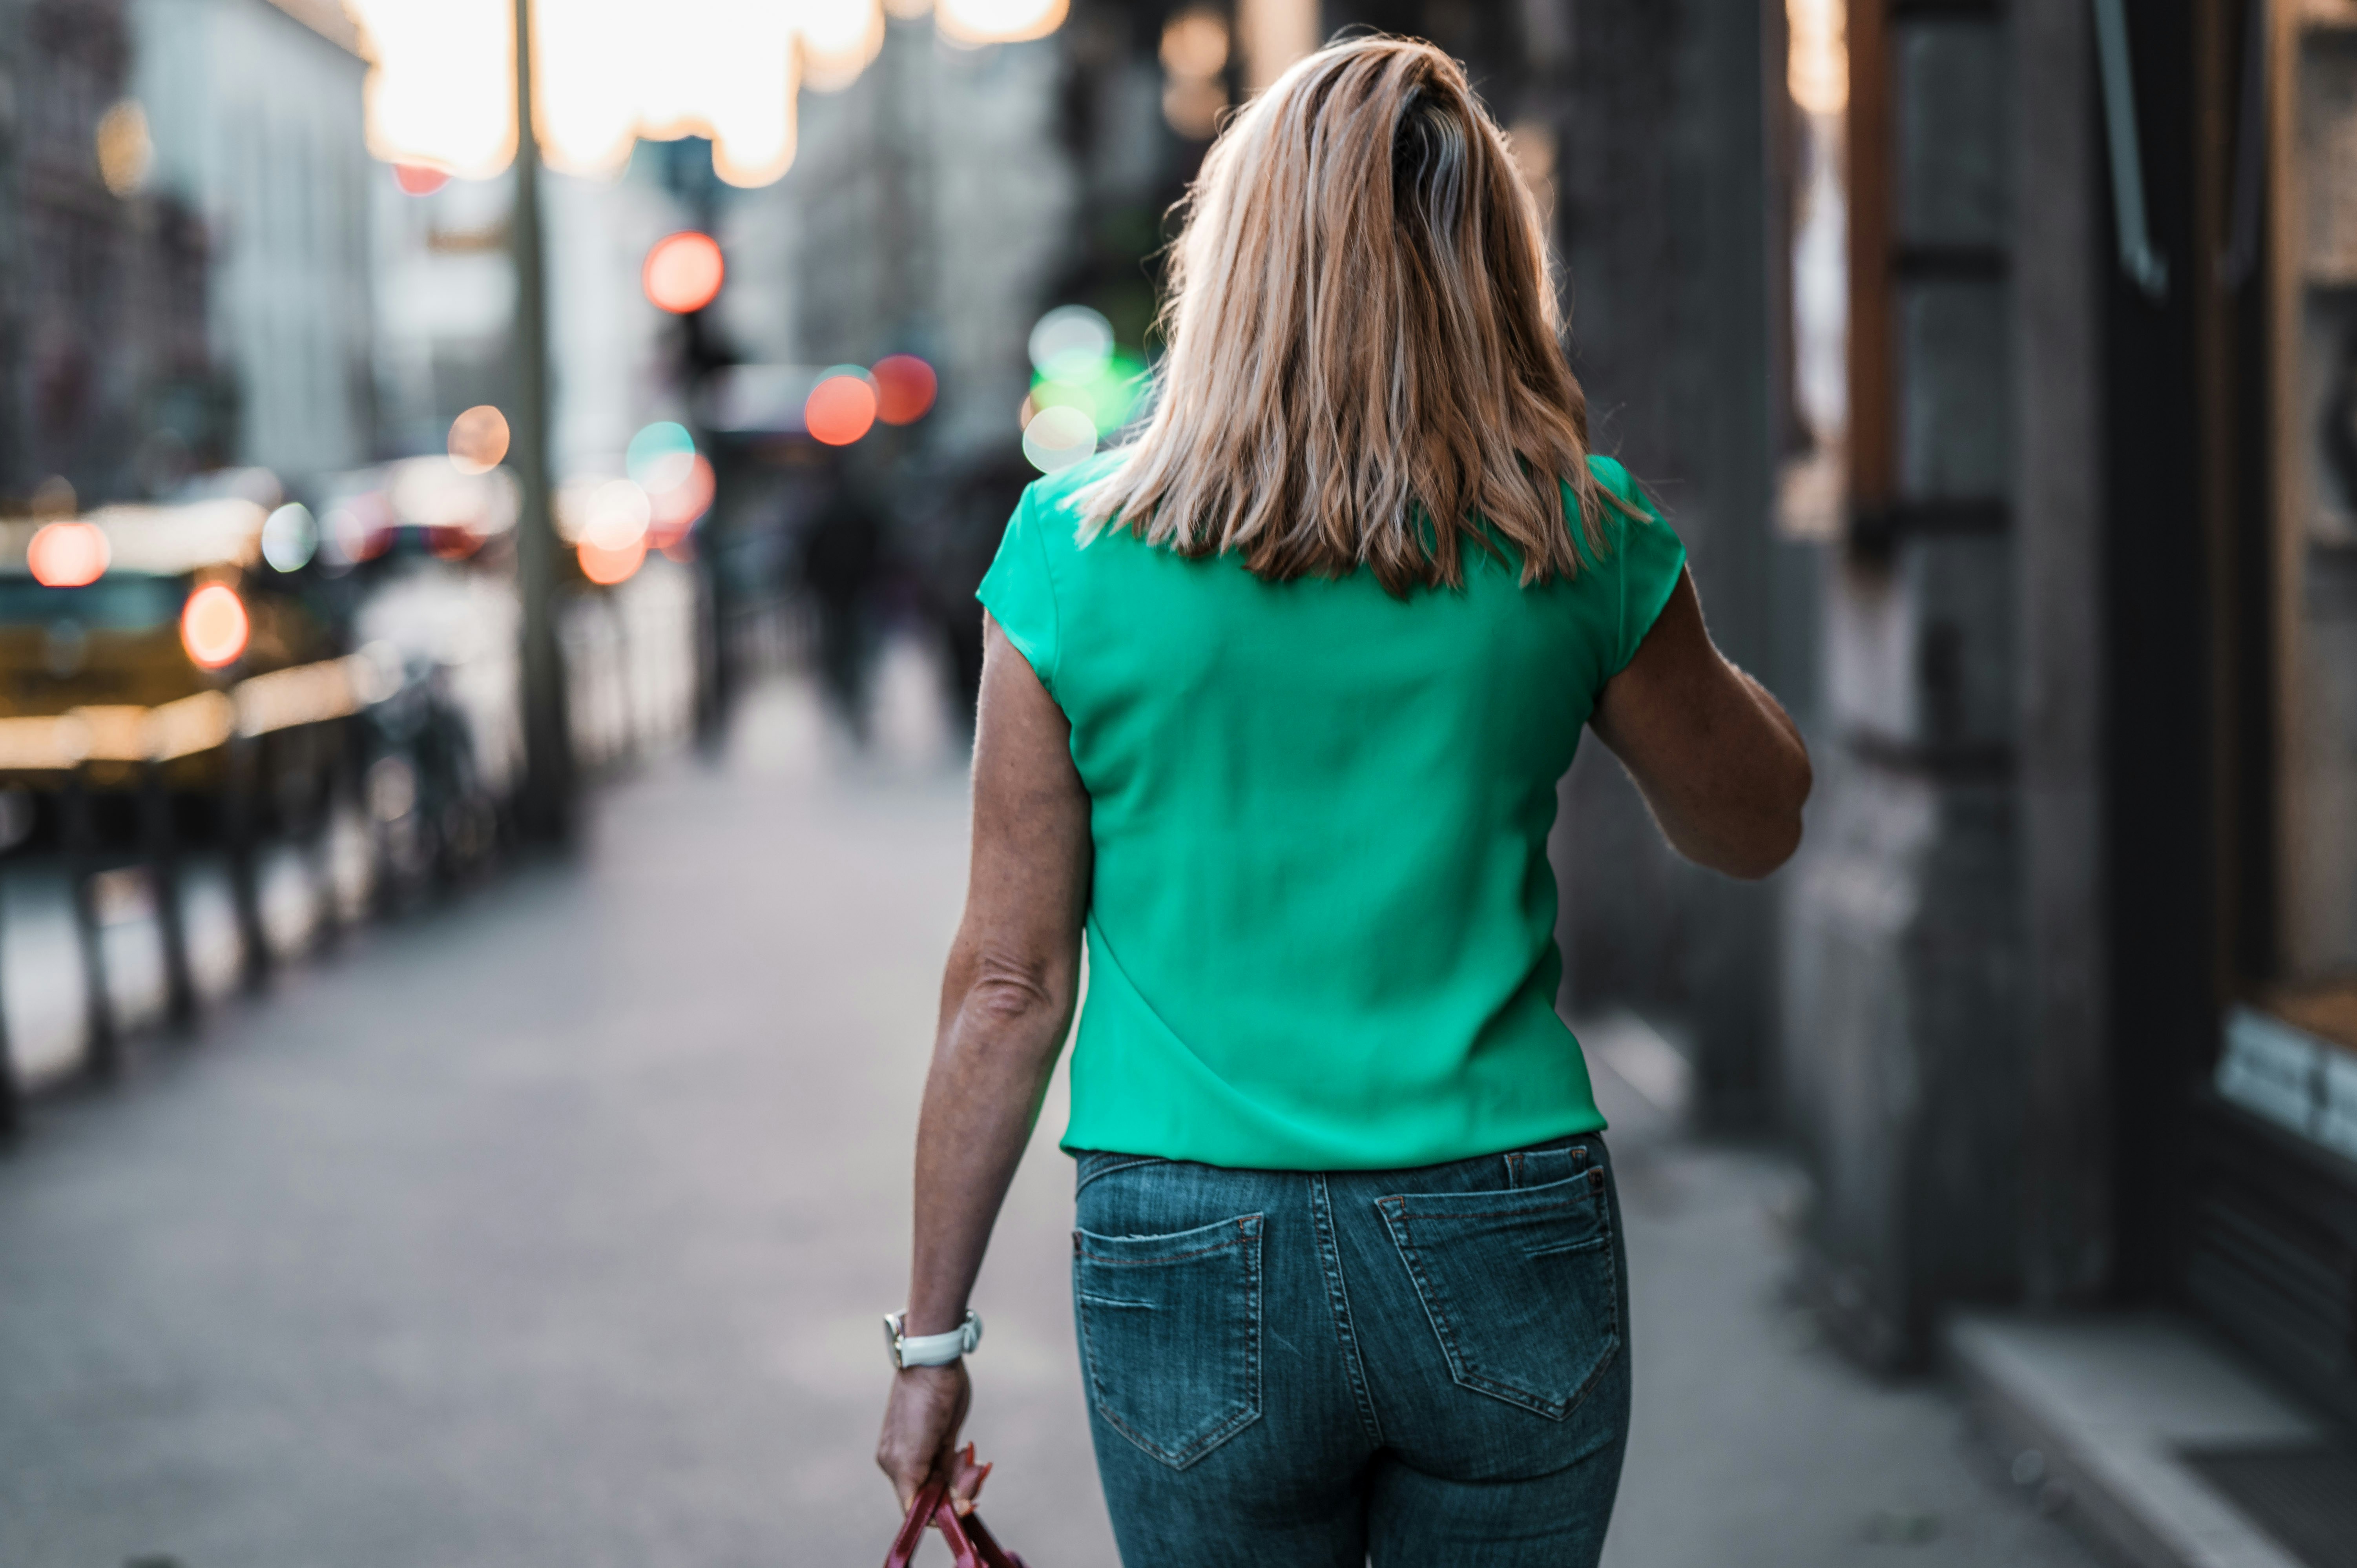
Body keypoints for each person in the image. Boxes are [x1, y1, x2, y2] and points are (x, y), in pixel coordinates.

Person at [875, 35, 1811, 1566]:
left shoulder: (1066, 557)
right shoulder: (1574, 537)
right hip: (1499, 1217)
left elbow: (1005, 986)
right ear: (1487, 270)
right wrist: (1647, 593)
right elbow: (1752, 823)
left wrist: (929, 1349)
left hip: (1181, 1237)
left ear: (1228, 264)